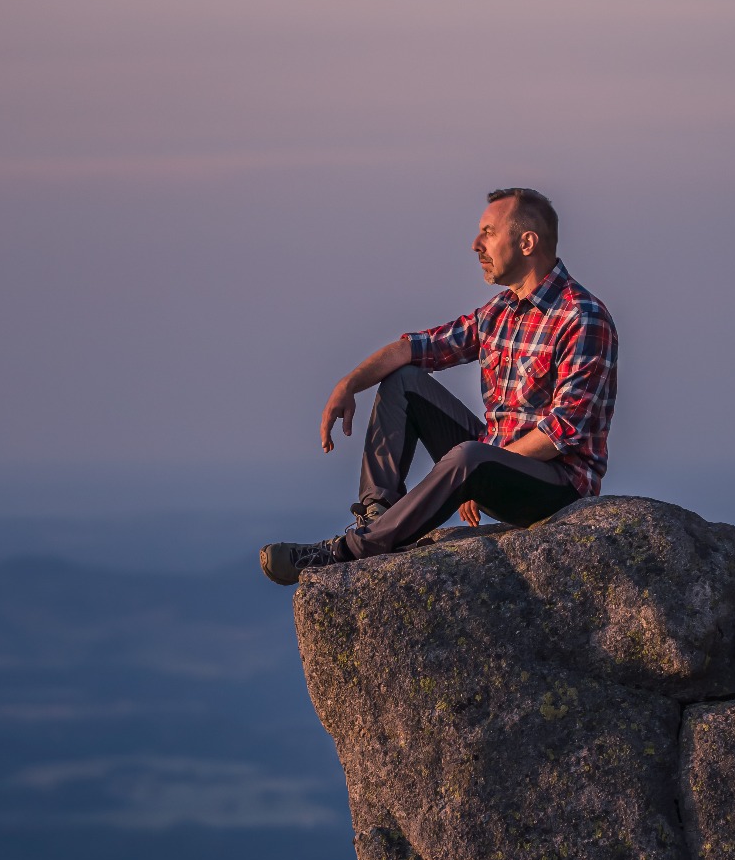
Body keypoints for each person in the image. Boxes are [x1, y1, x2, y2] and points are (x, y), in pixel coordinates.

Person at [259, 187, 618, 585]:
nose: (476, 244)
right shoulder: (498, 312)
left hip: (556, 487)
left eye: (489, 232)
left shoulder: (582, 316)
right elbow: (417, 348)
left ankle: (345, 552)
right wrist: (349, 384)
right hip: (491, 464)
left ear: (527, 242)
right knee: (404, 381)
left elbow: (560, 434)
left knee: (468, 455)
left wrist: (483, 463)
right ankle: (378, 517)